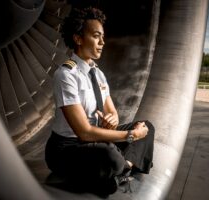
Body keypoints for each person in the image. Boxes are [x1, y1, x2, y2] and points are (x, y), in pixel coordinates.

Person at [45, 7, 155, 195]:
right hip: (68, 147)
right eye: (96, 36)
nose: (103, 42)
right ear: (78, 39)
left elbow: (112, 113)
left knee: (146, 126)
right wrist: (130, 136)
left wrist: (112, 120)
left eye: (102, 36)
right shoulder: (66, 75)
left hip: (96, 139)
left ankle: (119, 170)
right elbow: (84, 133)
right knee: (108, 152)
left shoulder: (98, 74)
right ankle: (120, 168)